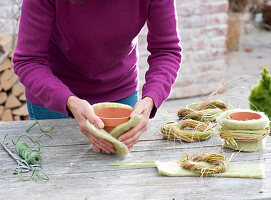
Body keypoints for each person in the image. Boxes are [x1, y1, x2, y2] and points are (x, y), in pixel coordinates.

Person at [13, 0, 182, 154]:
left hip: (120, 92)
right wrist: (69, 101)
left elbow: (166, 51)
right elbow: (28, 61)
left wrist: (150, 100)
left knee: (117, 179)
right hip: (53, 98)